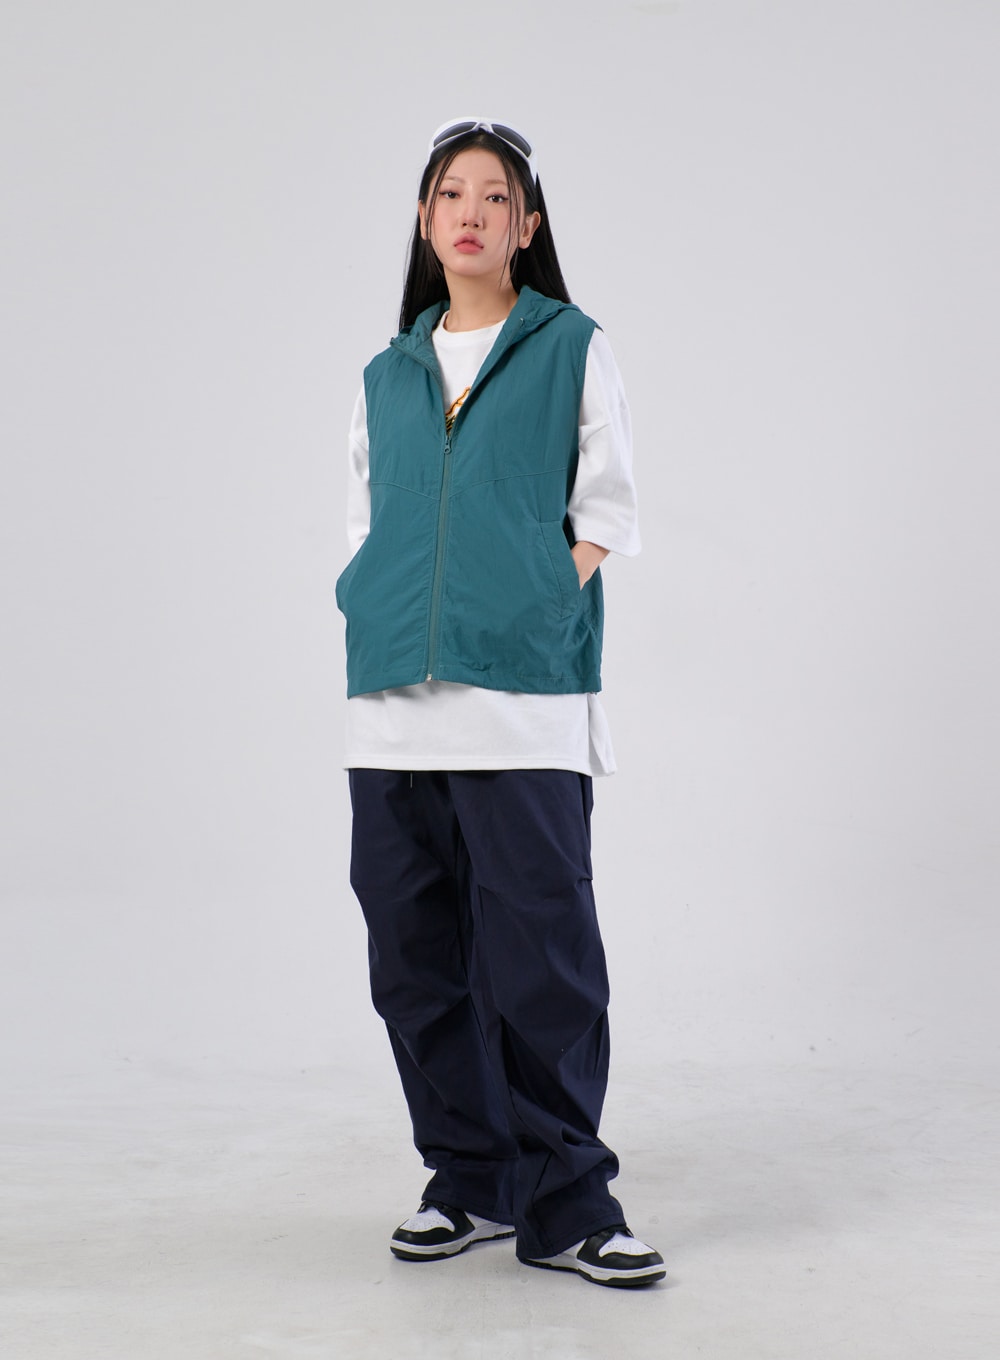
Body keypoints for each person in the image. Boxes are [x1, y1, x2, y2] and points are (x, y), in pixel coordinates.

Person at [335, 117, 663, 1289]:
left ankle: (570, 1201)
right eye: (448, 193)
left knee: (541, 962)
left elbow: (607, 508)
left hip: (522, 702)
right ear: (424, 221)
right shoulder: (386, 372)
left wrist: (533, 593)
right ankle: (468, 1178)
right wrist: (366, 596)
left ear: (527, 225)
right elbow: (365, 522)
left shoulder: (571, 345)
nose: (469, 212)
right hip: (390, 711)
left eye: (493, 195)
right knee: (414, 962)